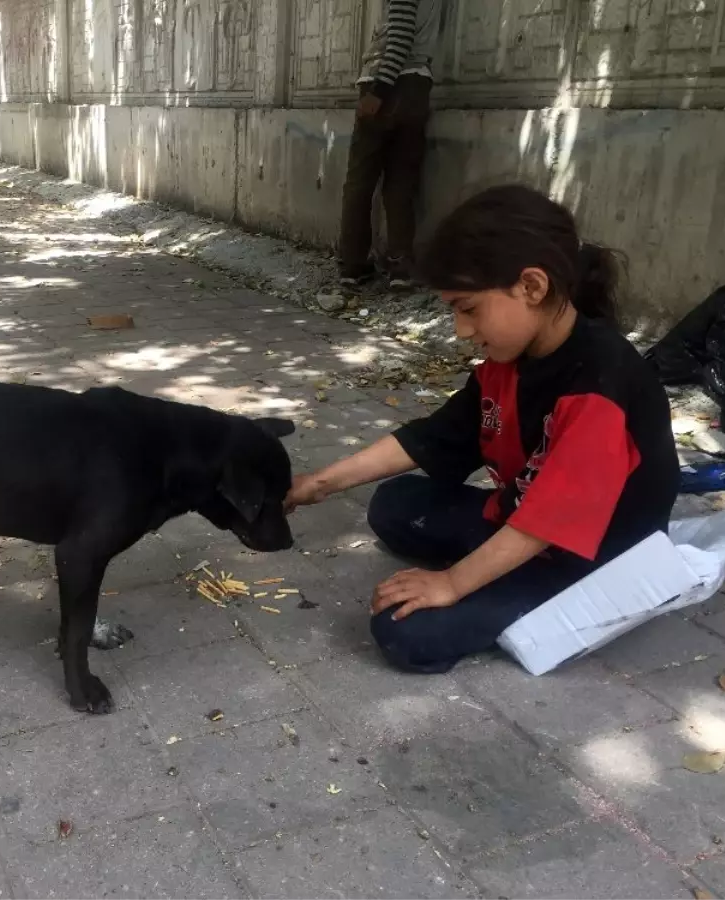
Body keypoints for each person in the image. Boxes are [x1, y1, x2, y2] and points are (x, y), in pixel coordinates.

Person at [287, 184, 679, 674]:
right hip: (524, 519)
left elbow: (546, 523)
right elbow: (431, 437)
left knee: (403, 630)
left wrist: (450, 583)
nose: (461, 330)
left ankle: (510, 591)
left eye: (468, 308)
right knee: (394, 502)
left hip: (592, 559)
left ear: (531, 287)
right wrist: (318, 484)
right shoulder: (509, 361)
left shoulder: (601, 385)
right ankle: (490, 569)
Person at [337, 0, 442, 290]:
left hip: (387, 84)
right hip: (416, 86)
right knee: (400, 184)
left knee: (359, 182)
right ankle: (400, 269)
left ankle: (353, 265)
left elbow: (400, 36)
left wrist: (378, 92)